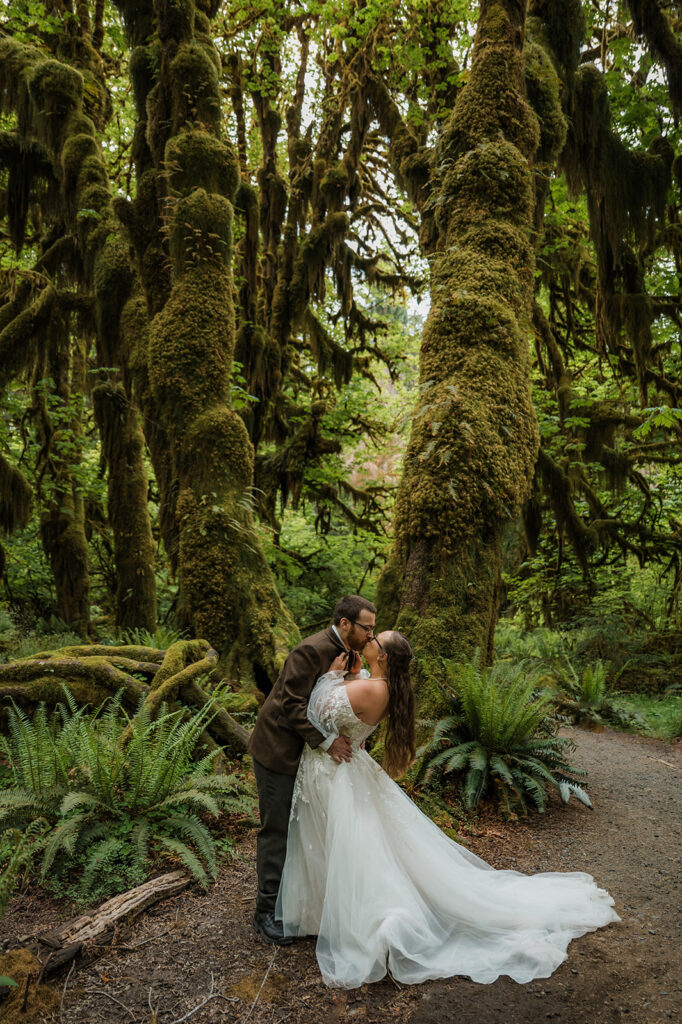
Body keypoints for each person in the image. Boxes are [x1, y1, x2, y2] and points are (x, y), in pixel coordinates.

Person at [276, 631, 620, 988]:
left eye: (378, 638)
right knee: (350, 846)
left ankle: (370, 918)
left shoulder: (371, 689)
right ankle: (326, 911)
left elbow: (317, 707)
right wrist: (351, 675)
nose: (372, 638)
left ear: (385, 657)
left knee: (353, 849)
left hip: (338, 776)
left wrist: (333, 675)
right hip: (342, 772)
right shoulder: (374, 684)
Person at [248, 594, 377, 945]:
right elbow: (291, 704)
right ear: (345, 623)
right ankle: (264, 912)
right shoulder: (310, 650)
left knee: (300, 830)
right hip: (278, 752)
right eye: (367, 627)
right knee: (276, 829)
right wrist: (327, 741)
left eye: (373, 629)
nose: (371, 635)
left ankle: (295, 903)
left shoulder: (348, 653)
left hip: (308, 760)